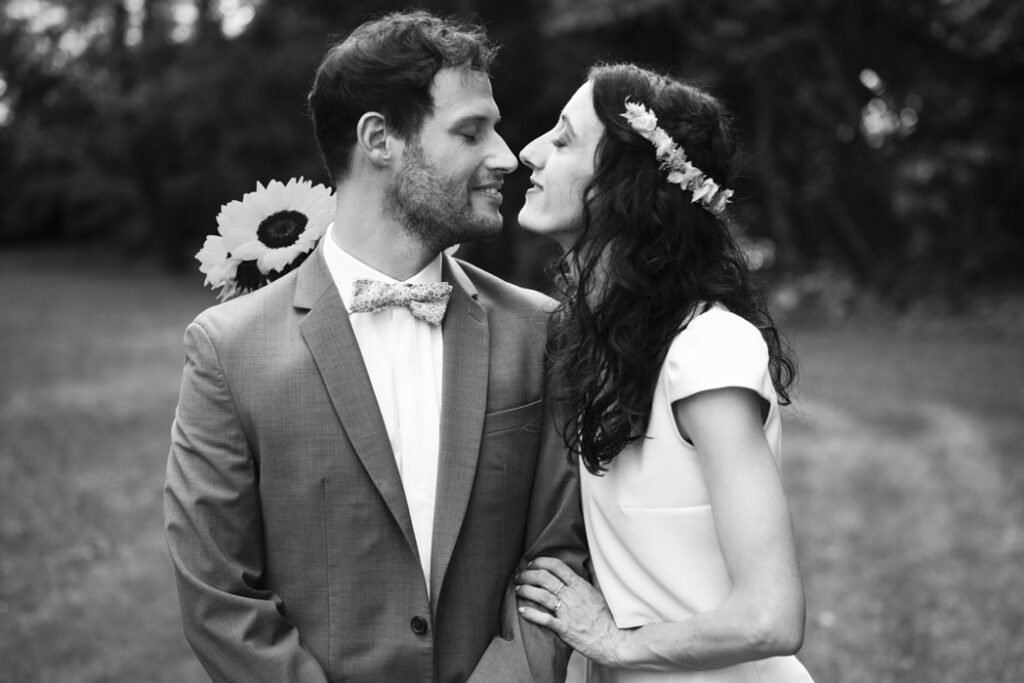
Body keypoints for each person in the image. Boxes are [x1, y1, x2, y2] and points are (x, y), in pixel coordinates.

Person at [164, 11, 586, 682]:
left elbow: (559, 554)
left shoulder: (540, 331)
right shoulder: (228, 350)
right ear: (379, 139)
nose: (507, 156)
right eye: (471, 131)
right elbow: (220, 599)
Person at [513, 63, 813, 682]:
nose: (529, 152)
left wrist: (615, 642)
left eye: (564, 140)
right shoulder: (606, 347)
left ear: (622, 184)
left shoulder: (706, 350)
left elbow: (770, 618)